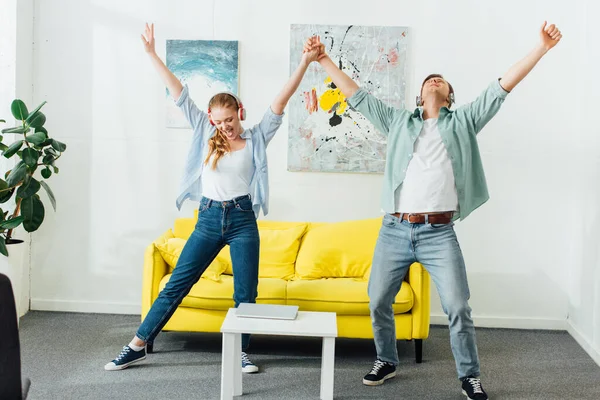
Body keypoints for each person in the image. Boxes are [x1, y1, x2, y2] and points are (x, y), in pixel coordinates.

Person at [305, 21, 562, 399]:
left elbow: (502, 86)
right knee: (377, 299)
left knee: (458, 306)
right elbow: (356, 96)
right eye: (429, 80)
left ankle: (469, 376)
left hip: (439, 232)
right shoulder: (397, 122)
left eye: (440, 80)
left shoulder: (463, 122)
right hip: (395, 229)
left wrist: (541, 48)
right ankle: (387, 359)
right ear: (419, 93)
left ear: (449, 94)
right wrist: (324, 59)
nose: (433, 81)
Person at [104, 23, 320, 373]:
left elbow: (281, 100)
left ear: (241, 113)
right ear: (210, 119)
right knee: (177, 284)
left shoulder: (257, 138)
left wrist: (306, 62)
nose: (225, 127)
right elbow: (177, 91)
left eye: (230, 119)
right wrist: (151, 54)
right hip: (207, 219)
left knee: (246, 293)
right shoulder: (205, 131)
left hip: (242, 220)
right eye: (219, 121)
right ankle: (137, 344)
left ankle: (241, 352)